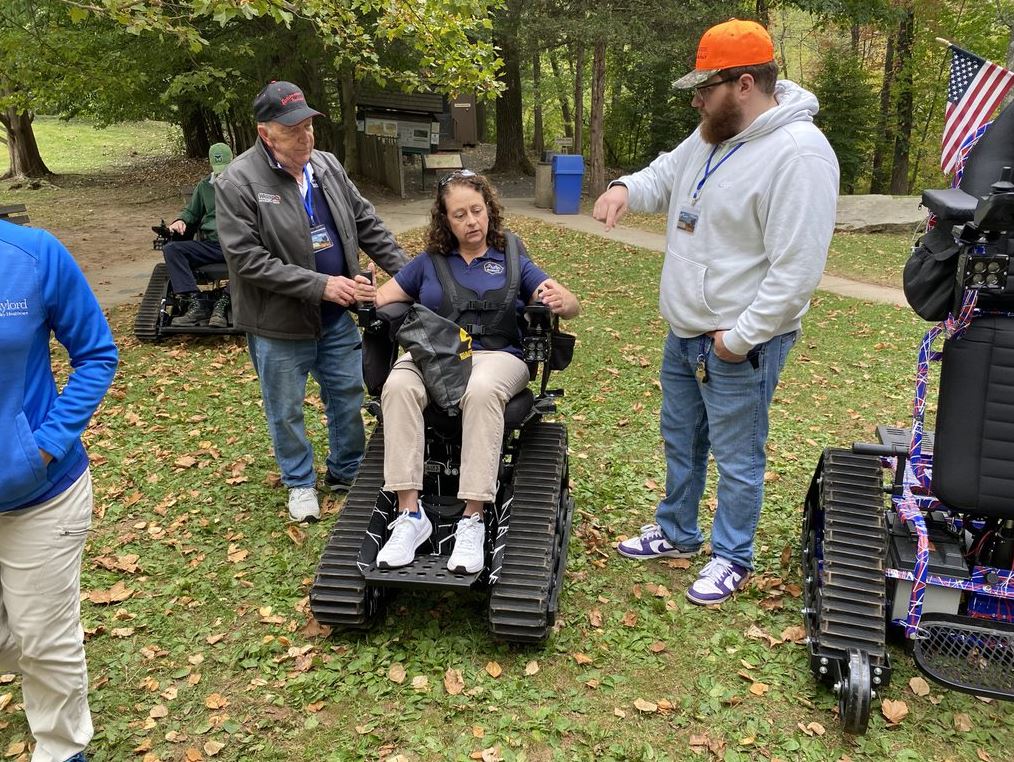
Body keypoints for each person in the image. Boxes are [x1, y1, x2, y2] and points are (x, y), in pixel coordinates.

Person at [594, 18, 838, 605]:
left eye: (706, 87)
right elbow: (666, 173)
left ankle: (731, 557)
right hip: (684, 333)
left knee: (737, 455)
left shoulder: (800, 155)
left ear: (745, 84)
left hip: (737, 343)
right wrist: (625, 187)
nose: (697, 100)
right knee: (681, 440)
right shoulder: (712, 132)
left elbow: (796, 271)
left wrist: (741, 338)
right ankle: (677, 530)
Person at [353, 170, 580, 573]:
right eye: (460, 215)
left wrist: (564, 301)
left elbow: (570, 302)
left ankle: (472, 519)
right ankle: (410, 515)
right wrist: (365, 294)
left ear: (489, 210)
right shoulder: (428, 263)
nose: (471, 221)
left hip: (500, 357)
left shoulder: (512, 257)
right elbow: (380, 298)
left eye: (477, 210)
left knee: (481, 389)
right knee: (399, 384)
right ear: (446, 220)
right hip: (438, 355)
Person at [215, 81, 408, 523]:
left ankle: (347, 470)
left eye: (308, 126)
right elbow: (246, 259)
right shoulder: (237, 181)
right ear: (265, 133)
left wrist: (411, 275)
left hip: (336, 316)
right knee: (285, 409)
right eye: (292, 130)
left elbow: (366, 222)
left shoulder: (326, 165)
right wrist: (319, 284)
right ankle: (300, 483)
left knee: (347, 392)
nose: (305, 138)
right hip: (278, 325)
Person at [0, 220, 119, 762]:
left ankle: (63, 749)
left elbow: (96, 354)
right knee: (24, 640)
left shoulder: (32, 255)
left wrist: (43, 446)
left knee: (44, 640)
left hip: (40, 495)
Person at [162, 142, 234, 327]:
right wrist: (180, 221)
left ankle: (224, 302)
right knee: (172, 249)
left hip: (238, 243)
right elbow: (191, 213)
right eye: (218, 170)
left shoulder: (246, 183)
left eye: (225, 169)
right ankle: (196, 303)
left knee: (254, 255)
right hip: (213, 245)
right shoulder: (204, 187)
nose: (221, 174)